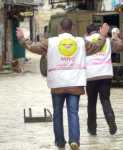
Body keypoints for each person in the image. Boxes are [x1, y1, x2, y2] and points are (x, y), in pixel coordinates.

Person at [16, 18, 109, 150]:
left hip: (57, 84)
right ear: (72, 28)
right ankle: (74, 140)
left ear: (60, 28)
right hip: (75, 84)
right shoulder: (81, 42)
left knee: (57, 113)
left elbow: (32, 46)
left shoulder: (50, 42)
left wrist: (22, 38)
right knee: (73, 112)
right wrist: (103, 35)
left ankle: (60, 142)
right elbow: (97, 47)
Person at [85, 24, 123, 135]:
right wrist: (116, 37)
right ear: (99, 30)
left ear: (87, 32)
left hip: (90, 76)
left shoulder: (85, 40)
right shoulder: (107, 40)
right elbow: (121, 47)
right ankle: (111, 119)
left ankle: (92, 129)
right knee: (105, 100)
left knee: (91, 103)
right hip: (105, 75)